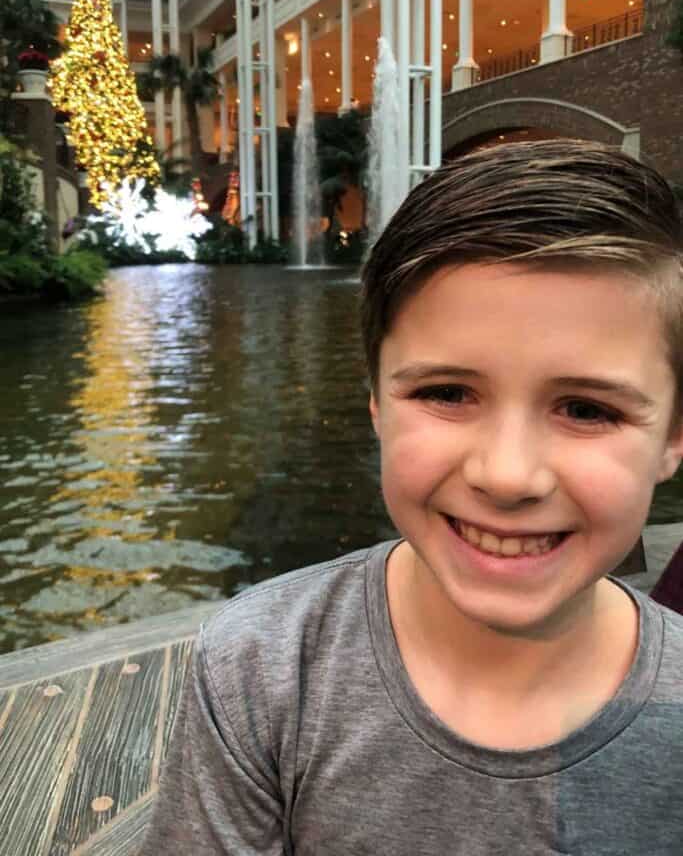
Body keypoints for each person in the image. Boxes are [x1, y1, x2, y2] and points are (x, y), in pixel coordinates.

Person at [140, 140, 683, 854]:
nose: (507, 475)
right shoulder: (261, 667)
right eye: (446, 393)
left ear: (673, 437)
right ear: (374, 403)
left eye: (586, 409)